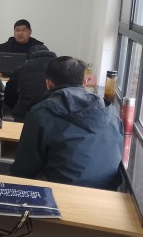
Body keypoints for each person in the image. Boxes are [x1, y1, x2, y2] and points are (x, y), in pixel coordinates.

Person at [11, 56, 123, 190]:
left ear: (48, 84)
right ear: (84, 82)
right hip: (107, 192)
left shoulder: (40, 113)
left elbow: (23, 169)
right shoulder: (111, 112)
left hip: (57, 193)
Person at [4, 45, 57, 121]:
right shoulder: (60, 67)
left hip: (26, 113)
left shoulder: (21, 68)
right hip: (54, 113)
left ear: (29, 57)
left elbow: (9, 95)